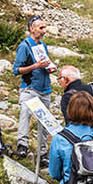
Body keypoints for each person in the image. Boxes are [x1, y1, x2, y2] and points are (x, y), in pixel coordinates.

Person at [12, 16, 55, 160]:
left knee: (44, 120)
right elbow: (16, 70)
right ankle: (22, 146)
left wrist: (50, 68)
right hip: (29, 88)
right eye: (41, 28)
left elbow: (44, 63)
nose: (44, 31)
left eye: (45, 27)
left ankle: (42, 153)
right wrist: (34, 67)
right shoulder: (24, 46)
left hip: (45, 88)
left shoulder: (43, 46)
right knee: (25, 114)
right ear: (32, 28)